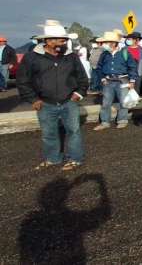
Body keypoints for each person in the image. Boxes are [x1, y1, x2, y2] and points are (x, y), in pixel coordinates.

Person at [16, 21, 89, 171]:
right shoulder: (31, 58)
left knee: (73, 131)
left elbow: (82, 78)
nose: (64, 43)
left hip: (69, 101)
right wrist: (33, 99)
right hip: (45, 103)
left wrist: (79, 94)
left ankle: (76, 158)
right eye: (62, 40)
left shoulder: (71, 57)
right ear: (48, 41)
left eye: (65, 40)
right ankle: (53, 158)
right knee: (49, 133)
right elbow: (23, 81)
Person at [94, 31, 138, 130]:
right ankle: (105, 122)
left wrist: (132, 81)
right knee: (106, 103)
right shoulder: (104, 54)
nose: (104, 44)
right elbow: (99, 67)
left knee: (123, 102)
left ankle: (122, 120)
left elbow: (132, 66)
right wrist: (102, 78)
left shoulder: (124, 53)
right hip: (108, 81)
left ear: (114, 43)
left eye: (107, 42)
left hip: (122, 80)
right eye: (104, 42)